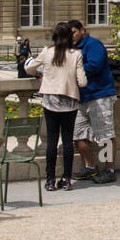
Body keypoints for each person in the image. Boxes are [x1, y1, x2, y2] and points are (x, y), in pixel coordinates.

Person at [26, 22, 87, 191]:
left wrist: (40, 74)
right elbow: (83, 82)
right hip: (70, 102)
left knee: (52, 142)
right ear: (70, 37)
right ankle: (67, 179)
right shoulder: (76, 54)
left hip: (51, 101)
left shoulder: (47, 52)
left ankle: (50, 180)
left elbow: (29, 67)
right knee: (68, 142)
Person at [69, 19, 117, 184]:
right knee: (77, 135)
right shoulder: (73, 48)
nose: (71, 36)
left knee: (105, 135)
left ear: (82, 30)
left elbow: (94, 66)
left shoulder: (94, 45)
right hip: (82, 97)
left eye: (73, 32)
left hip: (100, 95)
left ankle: (109, 169)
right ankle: (90, 167)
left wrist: (71, 70)